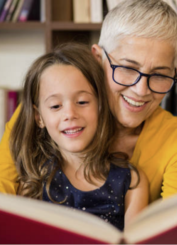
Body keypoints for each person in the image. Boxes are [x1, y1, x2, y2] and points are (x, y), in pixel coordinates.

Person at [0, 0, 177, 203]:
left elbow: (176, 228)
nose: (141, 90)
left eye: (159, 75)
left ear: (175, 73)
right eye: (127, 68)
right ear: (98, 58)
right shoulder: (50, 113)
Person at [9, 43, 148, 231]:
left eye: (82, 101)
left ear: (101, 105)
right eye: (56, 106)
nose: (70, 114)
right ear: (39, 117)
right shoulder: (33, 180)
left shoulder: (131, 181)